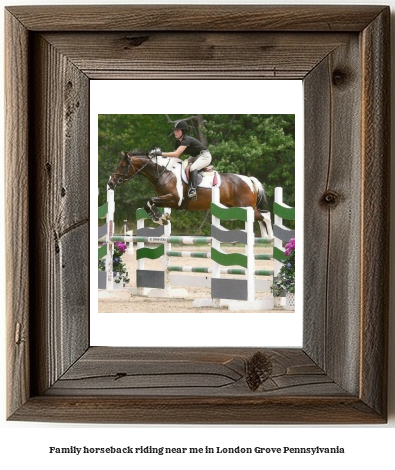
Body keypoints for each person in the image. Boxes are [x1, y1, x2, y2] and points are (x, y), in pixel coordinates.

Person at [149, 120, 212, 199]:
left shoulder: (186, 140)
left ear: (183, 131)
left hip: (204, 156)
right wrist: (159, 159)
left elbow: (176, 154)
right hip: (194, 157)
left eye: (177, 130)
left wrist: (160, 153)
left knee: (193, 168)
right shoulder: (178, 142)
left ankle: (193, 190)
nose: (175, 132)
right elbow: (174, 157)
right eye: (175, 130)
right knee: (181, 166)